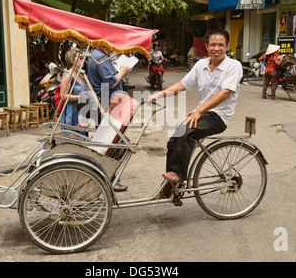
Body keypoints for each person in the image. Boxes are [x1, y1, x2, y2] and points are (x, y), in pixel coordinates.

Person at [147, 29, 243, 191]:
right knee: (174, 140)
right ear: (206, 46)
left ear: (227, 46)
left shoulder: (233, 66)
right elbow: (184, 85)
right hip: (201, 113)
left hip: (219, 116)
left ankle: (178, 176)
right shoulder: (201, 65)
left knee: (186, 131)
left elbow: (225, 92)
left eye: (221, 45)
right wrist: (160, 94)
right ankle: (171, 187)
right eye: (213, 45)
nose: (217, 48)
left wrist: (199, 111)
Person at [86, 45, 132, 192]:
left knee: (112, 143)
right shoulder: (99, 57)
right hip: (108, 103)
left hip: (108, 101)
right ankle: (109, 178)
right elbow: (111, 82)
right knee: (113, 144)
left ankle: (106, 176)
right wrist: (123, 71)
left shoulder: (98, 56)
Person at [59, 48, 88, 136]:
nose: (83, 60)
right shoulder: (68, 76)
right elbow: (63, 96)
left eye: (83, 58)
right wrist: (79, 97)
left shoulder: (80, 75)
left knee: (82, 138)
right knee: (72, 139)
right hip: (71, 114)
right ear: (72, 61)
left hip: (81, 112)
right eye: (80, 58)